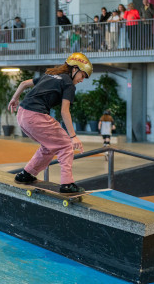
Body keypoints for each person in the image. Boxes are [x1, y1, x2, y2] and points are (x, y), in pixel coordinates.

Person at [8, 52, 92, 194]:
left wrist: (14, 99)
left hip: (22, 114)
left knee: (50, 145)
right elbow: (65, 111)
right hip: (36, 116)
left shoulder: (50, 75)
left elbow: (23, 84)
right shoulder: (68, 84)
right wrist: (73, 136)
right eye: (82, 76)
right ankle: (67, 184)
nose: (82, 80)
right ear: (75, 69)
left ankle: (26, 174)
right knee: (65, 145)